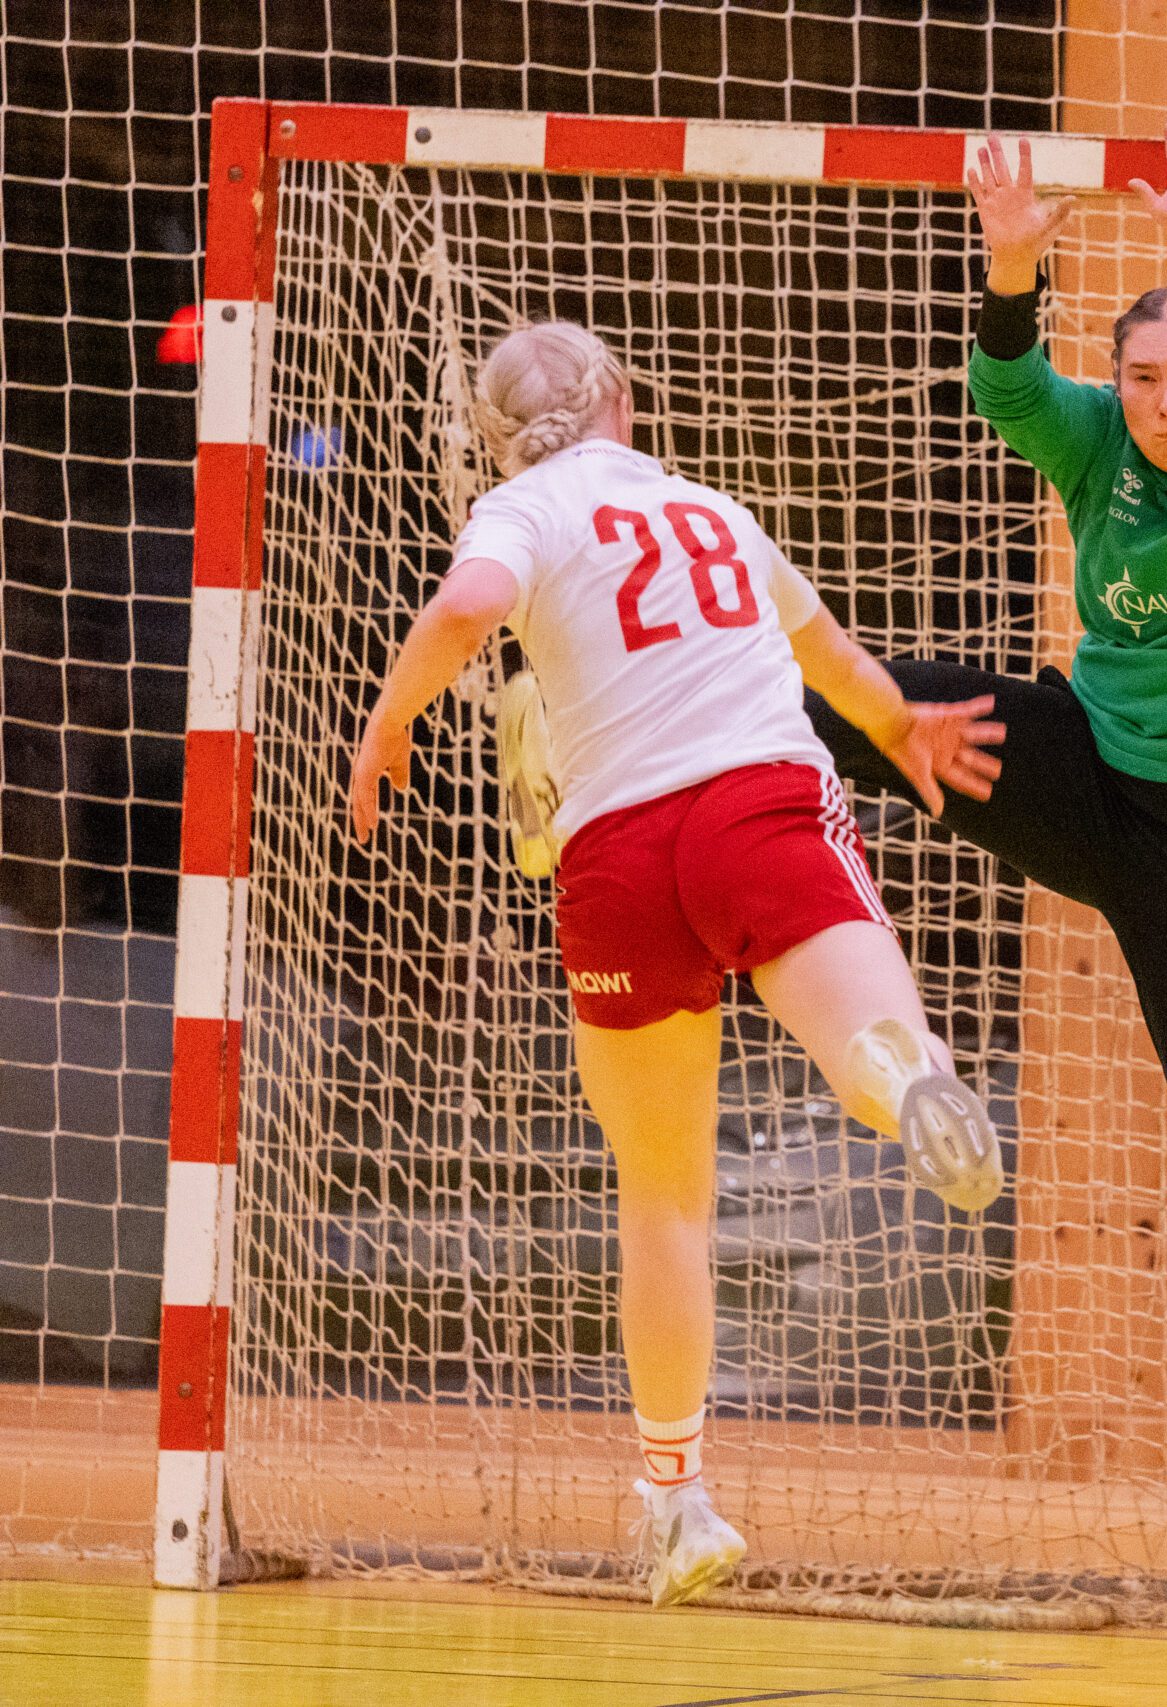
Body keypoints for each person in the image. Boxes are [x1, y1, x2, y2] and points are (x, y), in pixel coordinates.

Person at [345, 321, 1008, 1608]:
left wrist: (388, 721)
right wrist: (901, 726)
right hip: (757, 805)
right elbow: (829, 659)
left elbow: (470, 605)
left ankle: (677, 1502)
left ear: (496, 439)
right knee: (868, 1039)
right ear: (624, 403)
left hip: (617, 854)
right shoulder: (714, 512)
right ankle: (904, 1077)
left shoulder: (523, 510)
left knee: (664, 1199)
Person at [804, 116, 1167, 1611]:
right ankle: (621, 750)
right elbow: (1010, 390)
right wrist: (1009, 268)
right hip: (1094, 769)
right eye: (1147, 377)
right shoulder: (1099, 439)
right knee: (863, 702)